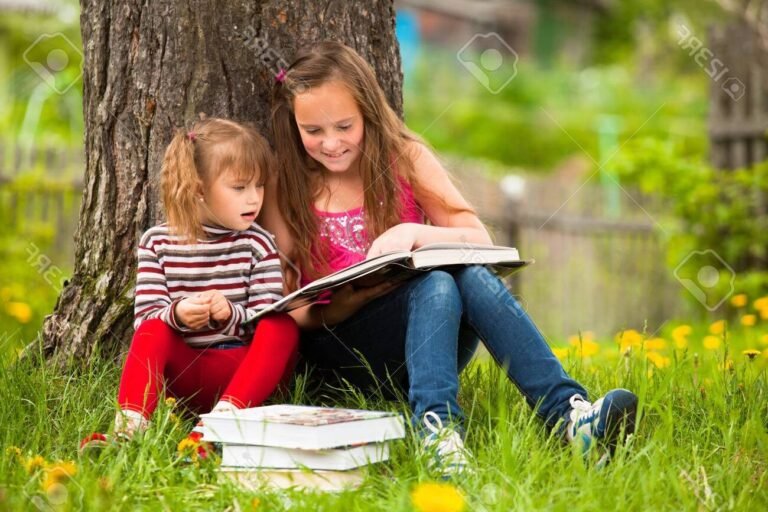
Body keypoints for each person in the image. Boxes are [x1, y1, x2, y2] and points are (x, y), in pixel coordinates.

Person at [262, 41, 637, 476]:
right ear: (293, 125)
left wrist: (414, 233)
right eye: (313, 131)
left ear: (368, 112)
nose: (331, 143)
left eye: (345, 126)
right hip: (344, 353)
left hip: (428, 341)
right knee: (437, 283)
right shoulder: (285, 185)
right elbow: (292, 310)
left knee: (464, 276)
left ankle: (568, 417)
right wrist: (352, 299)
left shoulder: (404, 156)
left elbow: (476, 237)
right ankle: (438, 433)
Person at [80, 118, 299, 451]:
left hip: (246, 378)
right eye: (240, 188)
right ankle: (127, 433)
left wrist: (230, 314)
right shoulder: (157, 244)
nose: (254, 199)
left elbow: (264, 312)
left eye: (259, 186)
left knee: (282, 325)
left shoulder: (259, 243)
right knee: (153, 330)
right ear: (199, 189)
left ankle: (220, 428)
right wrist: (178, 314)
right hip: (189, 376)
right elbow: (145, 321)